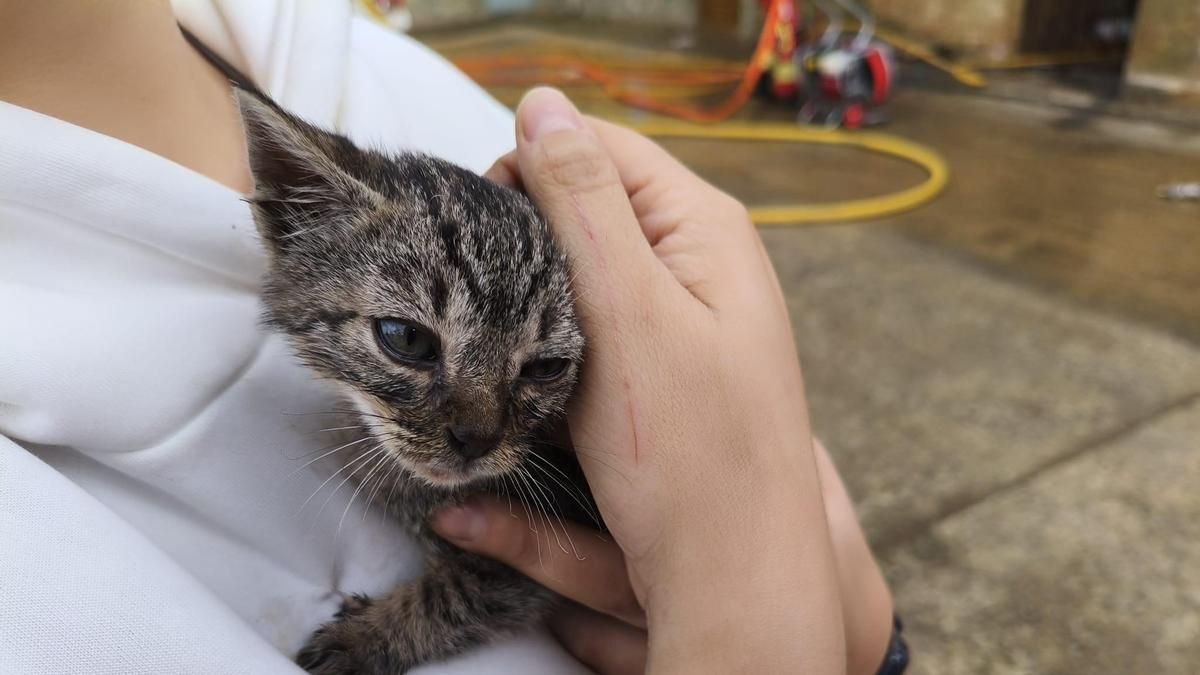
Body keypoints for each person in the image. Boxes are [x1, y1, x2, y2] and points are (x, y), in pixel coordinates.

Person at [0, 1, 896, 673]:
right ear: (294, 219)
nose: (477, 427)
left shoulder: (372, 58)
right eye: (409, 341)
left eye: (541, 367)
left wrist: (815, 601)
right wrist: (778, 614)